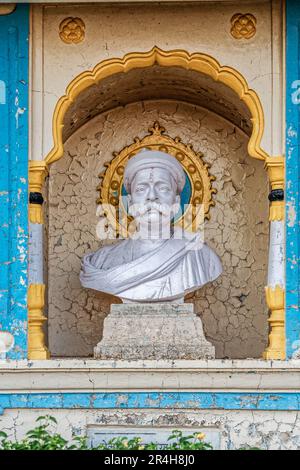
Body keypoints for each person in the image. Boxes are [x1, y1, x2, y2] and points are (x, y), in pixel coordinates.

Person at [80, 149, 222, 302]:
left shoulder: (200, 256)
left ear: (175, 202)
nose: (152, 196)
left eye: (163, 188)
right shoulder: (103, 261)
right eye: (141, 189)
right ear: (130, 202)